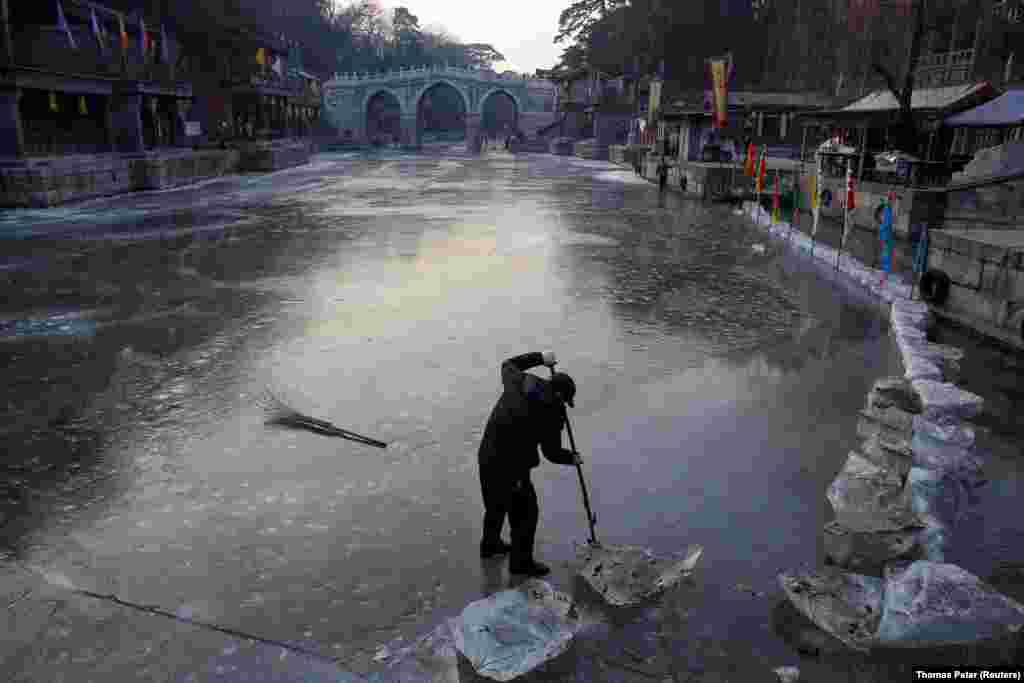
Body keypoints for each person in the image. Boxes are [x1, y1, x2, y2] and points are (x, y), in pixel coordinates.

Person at [477, 351, 581, 577]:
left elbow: (508, 363)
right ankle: (520, 564)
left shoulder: (521, 380)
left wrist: (540, 358)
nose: (564, 404)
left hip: (486, 455)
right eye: (565, 400)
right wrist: (572, 457)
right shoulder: (553, 413)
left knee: (495, 504)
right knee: (525, 515)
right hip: (512, 469)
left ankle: (490, 545)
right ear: (561, 396)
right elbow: (551, 453)